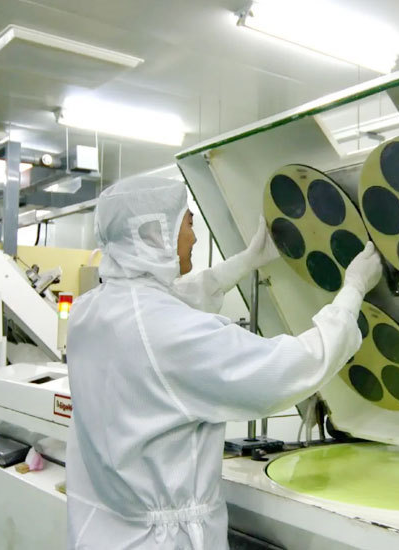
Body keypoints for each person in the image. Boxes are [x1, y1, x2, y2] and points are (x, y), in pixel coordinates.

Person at [66, 176, 382, 549]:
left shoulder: (90, 310)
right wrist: (352, 292)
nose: (194, 238)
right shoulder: (166, 332)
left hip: (104, 533)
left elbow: (166, 304)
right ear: (154, 233)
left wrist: (245, 262)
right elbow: (283, 371)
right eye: (187, 223)